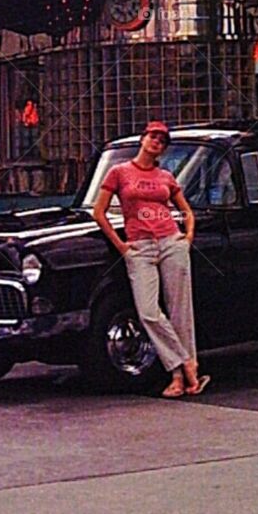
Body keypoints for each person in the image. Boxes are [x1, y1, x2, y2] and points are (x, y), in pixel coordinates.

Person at [91, 120, 209, 398]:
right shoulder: (119, 172)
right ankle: (187, 364)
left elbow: (187, 211)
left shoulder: (166, 176)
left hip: (171, 242)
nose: (157, 142)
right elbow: (99, 211)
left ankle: (179, 379)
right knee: (147, 311)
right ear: (143, 139)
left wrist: (188, 236)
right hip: (139, 247)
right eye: (153, 136)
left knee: (180, 309)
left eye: (162, 140)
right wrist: (121, 246)